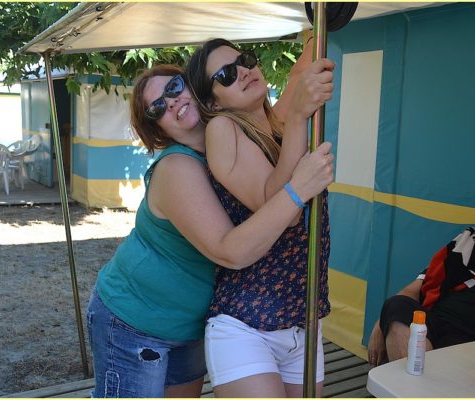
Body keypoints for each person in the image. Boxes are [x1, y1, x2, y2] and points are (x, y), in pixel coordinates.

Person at [87, 62, 335, 397]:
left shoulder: (237, 136)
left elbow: (293, 91)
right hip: (134, 318)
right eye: (157, 107)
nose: (171, 102)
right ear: (157, 128)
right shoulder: (176, 167)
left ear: (196, 87)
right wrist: (298, 191)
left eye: (174, 87)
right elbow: (229, 252)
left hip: (190, 323)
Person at [186, 38, 334, 397]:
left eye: (246, 60)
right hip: (247, 323)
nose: (243, 71)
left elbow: (302, 69)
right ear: (212, 101)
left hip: (301, 321)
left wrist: (322, 23)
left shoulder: (274, 123)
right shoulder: (223, 129)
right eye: (226, 74)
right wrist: (298, 117)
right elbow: (276, 202)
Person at [367, 179, 475, 367]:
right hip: (433, 328)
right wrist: (381, 324)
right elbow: (413, 290)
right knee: (396, 305)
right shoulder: (470, 242)